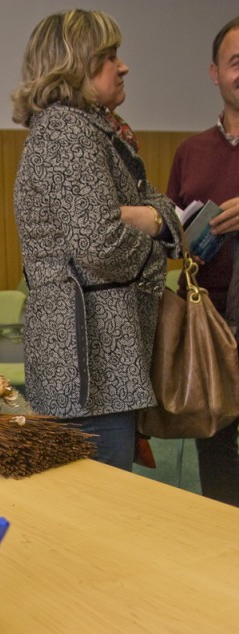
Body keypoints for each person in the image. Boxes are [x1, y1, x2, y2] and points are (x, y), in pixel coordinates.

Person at [11, 9, 181, 471]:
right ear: (74, 65)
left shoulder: (91, 130)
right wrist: (155, 243)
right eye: (108, 56)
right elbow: (101, 242)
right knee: (100, 502)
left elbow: (159, 205)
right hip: (89, 364)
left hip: (98, 355)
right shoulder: (67, 132)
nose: (122, 66)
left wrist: (148, 217)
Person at [166, 16, 239, 507]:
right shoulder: (189, 152)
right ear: (215, 73)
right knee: (214, 448)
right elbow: (169, 235)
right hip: (208, 325)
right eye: (236, 62)